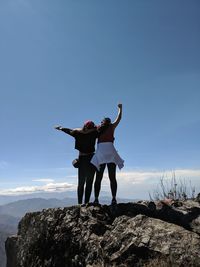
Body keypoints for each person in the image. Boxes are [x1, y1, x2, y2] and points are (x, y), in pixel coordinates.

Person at [55, 121, 98, 205]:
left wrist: (60, 128)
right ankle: (86, 203)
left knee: (81, 183)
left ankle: (79, 203)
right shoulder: (94, 133)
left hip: (82, 159)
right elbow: (103, 130)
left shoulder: (77, 133)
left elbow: (68, 131)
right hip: (91, 159)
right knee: (89, 182)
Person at [91, 104, 124, 205]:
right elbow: (119, 118)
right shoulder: (111, 126)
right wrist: (120, 108)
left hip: (101, 152)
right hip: (110, 152)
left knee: (98, 178)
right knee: (112, 177)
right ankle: (114, 199)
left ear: (102, 122)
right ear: (109, 122)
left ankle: (96, 199)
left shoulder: (98, 128)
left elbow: (85, 130)